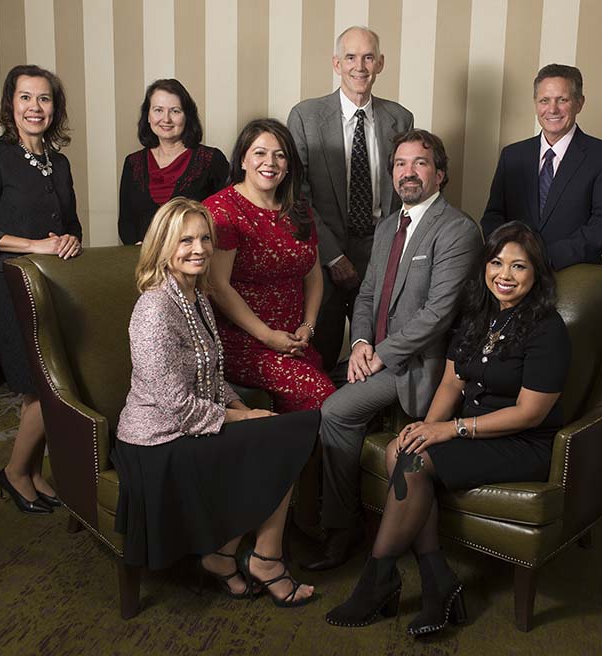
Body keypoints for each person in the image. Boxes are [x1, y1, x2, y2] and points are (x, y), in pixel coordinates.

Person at [326, 222, 571, 635]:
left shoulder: (548, 329)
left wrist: (450, 430)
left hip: (523, 441)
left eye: (518, 267)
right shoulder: (479, 317)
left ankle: (378, 579)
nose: (505, 275)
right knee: (401, 452)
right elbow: (452, 382)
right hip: (472, 430)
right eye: (496, 263)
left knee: (411, 463)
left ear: (536, 274)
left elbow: (530, 413)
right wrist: (426, 427)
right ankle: (437, 579)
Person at [112, 197, 317, 607]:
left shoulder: (196, 295)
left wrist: (242, 409)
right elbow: (177, 406)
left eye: (205, 238)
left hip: (188, 428)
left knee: (286, 430)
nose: (200, 249)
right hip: (156, 444)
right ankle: (263, 560)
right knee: (287, 435)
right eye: (185, 240)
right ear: (163, 246)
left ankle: (227, 555)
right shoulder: (155, 309)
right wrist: (242, 420)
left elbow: (212, 377)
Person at [302, 129, 483, 572]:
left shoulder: (458, 230)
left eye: (420, 163)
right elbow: (365, 296)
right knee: (307, 392)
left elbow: (438, 314)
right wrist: (361, 343)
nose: (408, 172)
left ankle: (343, 529)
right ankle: (309, 516)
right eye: (400, 164)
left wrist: (381, 354)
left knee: (336, 411)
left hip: (416, 366)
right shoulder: (388, 228)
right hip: (376, 354)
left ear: (440, 173)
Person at [0, 64, 82, 515]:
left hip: (54, 286)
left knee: (45, 389)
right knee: (43, 388)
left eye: (44, 99)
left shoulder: (59, 162)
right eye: (26, 97)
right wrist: (34, 245)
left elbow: (70, 228)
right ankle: (14, 472)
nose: (35, 107)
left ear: (55, 107)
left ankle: (32, 472)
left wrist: (68, 241)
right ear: (11, 104)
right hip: (11, 285)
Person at [288, 26, 414, 372]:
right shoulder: (306, 117)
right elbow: (297, 196)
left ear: (381, 64)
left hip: (380, 250)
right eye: (351, 57)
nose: (360, 66)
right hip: (323, 255)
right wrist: (332, 256)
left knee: (375, 353)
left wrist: (389, 251)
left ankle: (362, 421)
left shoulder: (400, 119)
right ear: (336, 64)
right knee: (319, 354)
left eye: (369, 57)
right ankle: (318, 422)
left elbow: (405, 191)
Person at [204, 119, 336, 413]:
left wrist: (308, 325)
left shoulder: (298, 207)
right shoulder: (223, 209)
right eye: (260, 153)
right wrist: (267, 336)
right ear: (242, 159)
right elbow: (218, 287)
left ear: (289, 165)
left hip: (295, 339)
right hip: (245, 343)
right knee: (324, 399)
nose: (270, 162)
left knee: (329, 404)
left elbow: (313, 275)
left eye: (280, 155)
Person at [481, 64, 602, 269]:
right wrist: (513, 257)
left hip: (572, 272)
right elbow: (493, 216)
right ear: (535, 104)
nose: (552, 109)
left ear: (579, 103)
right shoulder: (512, 155)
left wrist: (542, 258)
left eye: (562, 100)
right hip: (512, 271)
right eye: (544, 100)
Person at [118, 78, 229, 244]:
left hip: (196, 262)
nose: (166, 119)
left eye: (175, 111)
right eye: (158, 110)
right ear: (148, 116)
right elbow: (126, 222)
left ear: (187, 116)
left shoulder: (212, 160)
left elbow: (225, 219)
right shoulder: (133, 163)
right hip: (143, 262)